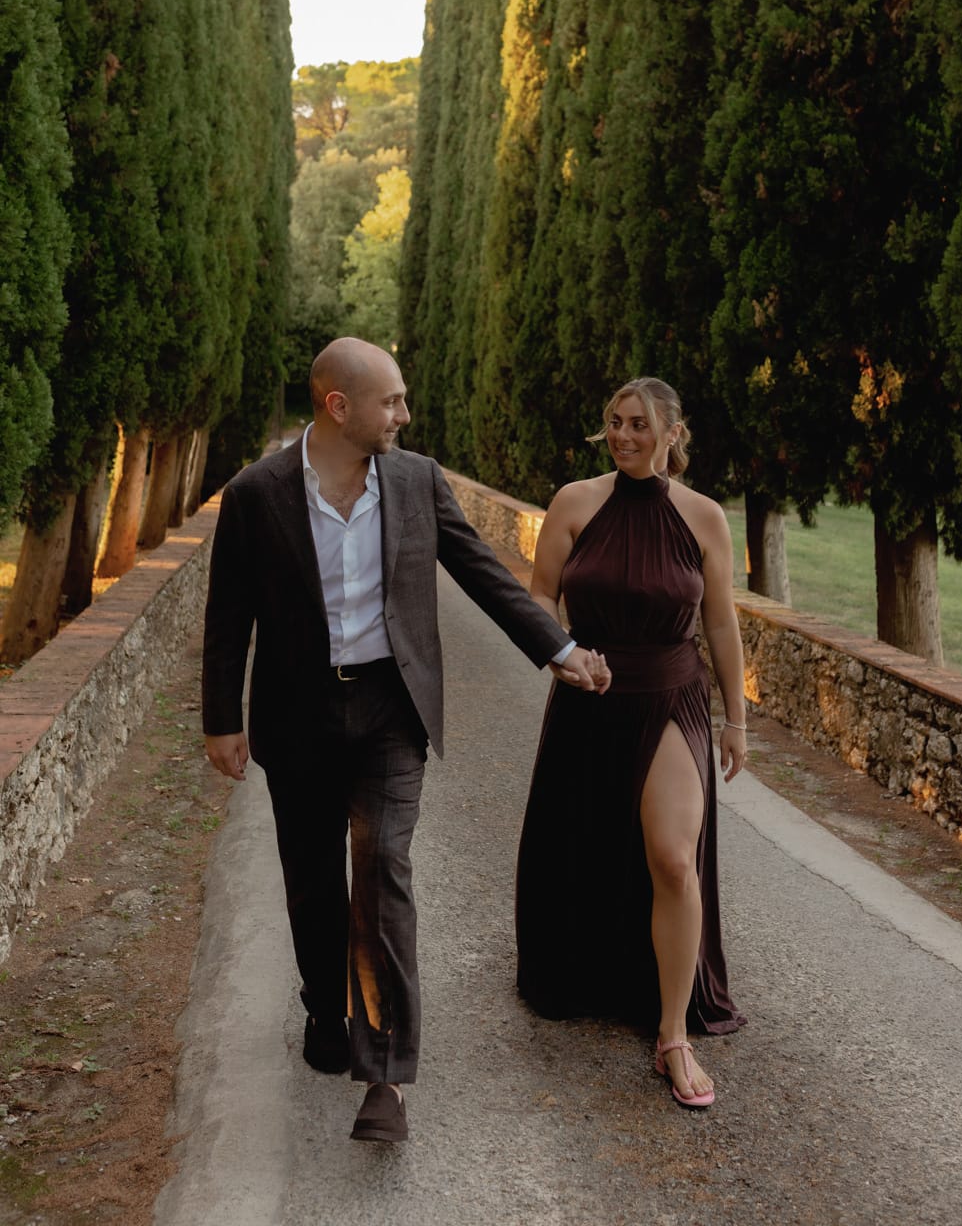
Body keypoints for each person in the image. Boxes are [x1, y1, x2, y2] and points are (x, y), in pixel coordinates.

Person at [202, 337, 609, 1144]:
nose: (405, 415)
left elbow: (484, 573)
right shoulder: (257, 494)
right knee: (314, 882)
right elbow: (229, 613)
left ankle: (384, 1074)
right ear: (337, 406)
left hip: (393, 709)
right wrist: (222, 718)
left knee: (382, 866)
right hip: (298, 717)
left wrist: (558, 651)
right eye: (391, 401)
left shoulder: (418, 482)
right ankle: (325, 1005)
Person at [515, 377, 748, 1109]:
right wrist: (563, 655)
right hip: (588, 696)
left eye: (639, 424)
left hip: (672, 695)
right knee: (587, 847)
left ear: (672, 432)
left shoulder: (704, 518)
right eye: (614, 422)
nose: (623, 436)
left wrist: (735, 719)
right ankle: (596, 970)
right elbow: (537, 598)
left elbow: (719, 624)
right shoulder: (574, 503)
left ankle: (672, 1035)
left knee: (675, 860)